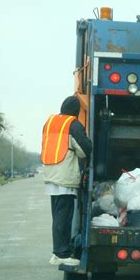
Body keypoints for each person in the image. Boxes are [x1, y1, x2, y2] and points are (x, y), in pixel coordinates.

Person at [41, 96, 92, 266]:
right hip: (65, 177)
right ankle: (61, 254)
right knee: (64, 217)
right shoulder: (73, 124)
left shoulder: (50, 122)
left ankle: (58, 252)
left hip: (51, 175)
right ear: (76, 111)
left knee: (57, 216)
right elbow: (85, 148)